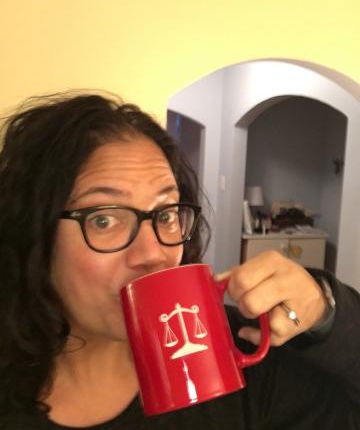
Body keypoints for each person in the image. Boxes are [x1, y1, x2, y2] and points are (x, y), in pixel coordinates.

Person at [0, 91, 359, 430]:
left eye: (167, 213)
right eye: (103, 219)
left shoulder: (237, 349)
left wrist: (328, 314)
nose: (153, 253)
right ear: (35, 235)